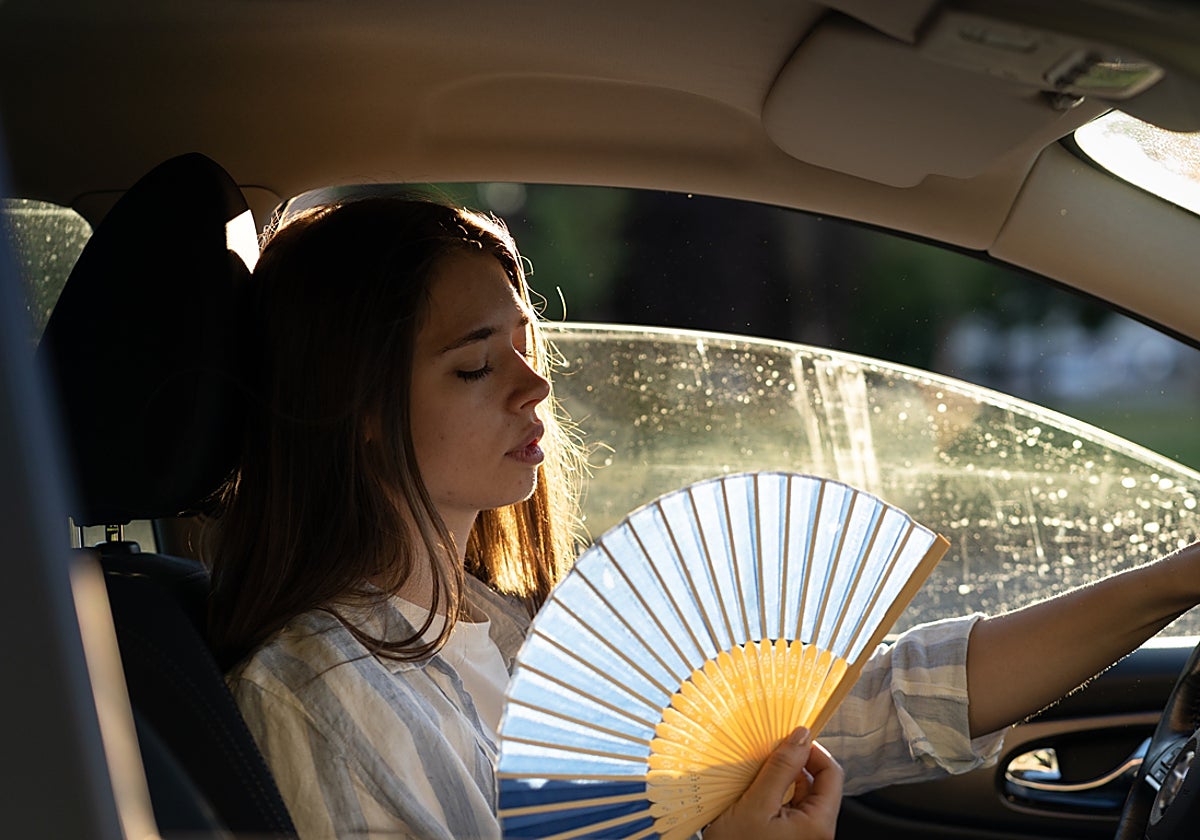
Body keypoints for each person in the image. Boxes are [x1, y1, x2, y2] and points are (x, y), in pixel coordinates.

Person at [206, 195, 1200, 839]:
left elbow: (889, 702)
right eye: (476, 365)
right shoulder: (323, 697)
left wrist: (1173, 581)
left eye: (525, 346)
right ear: (359, 412)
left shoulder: (521, 629)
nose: (532, 388)